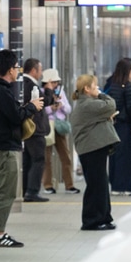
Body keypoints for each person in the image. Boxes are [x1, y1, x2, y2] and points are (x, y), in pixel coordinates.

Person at [0, 48, 43, 248]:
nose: (17, 70)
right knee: (4, 192)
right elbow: (16, 116)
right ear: (10, 70)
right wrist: (32, 106)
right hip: (3, 150)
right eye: (16, 67)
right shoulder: (1, 92)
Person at [70, 73, 121, 231]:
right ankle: (92, 220)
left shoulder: (87, 104)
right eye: (95, 87)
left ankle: (103, 217)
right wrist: (100, 94)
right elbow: (111, 104)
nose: (97, 89)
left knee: (100, 184)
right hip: (91, 149)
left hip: (93, 148)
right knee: (96, 185)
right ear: (87, 89)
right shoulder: (87, 104)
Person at [40, 67, 80, 195]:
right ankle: (47, 185)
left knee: (66, 156)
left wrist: (61, 105)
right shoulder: (41, 92)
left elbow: (68, 109)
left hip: (60, 127)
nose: (56, 85)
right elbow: (41, 111)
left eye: (56, 82)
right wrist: (51, 108)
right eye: (53, 82)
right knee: (47, 158)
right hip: (47, 126)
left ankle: (69, 185)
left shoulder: (60, 93)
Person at [19, 58, 53, 203]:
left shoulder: (23, 84)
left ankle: (26, 189)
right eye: (40, 70)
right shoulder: (30, 85)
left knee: (28, 160)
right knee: (38, 159)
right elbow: (44, 101)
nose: (41, 73)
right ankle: (32, 191)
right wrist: (49, 90)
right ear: (33, 70)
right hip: (35, 129)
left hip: (28, 130)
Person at [105, 57, 131, 195]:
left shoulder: (112, 85)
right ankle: (124, 186)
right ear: (128, 70)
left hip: (113, 124)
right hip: (124, 125)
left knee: (114, 155)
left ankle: (114, 185)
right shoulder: (129, 87)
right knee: (126, 156)